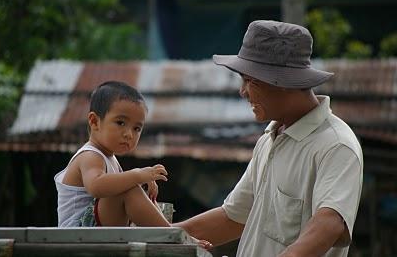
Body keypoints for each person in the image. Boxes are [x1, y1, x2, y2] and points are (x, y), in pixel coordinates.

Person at [174, 20, 363, 257]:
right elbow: (233, 217)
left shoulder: (335, 145)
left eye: (248, 80)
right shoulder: (270, 138)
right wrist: (162, 237)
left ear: (280, 82)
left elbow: (329, 225)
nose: (243, 91)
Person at [54, 81, 170, 227]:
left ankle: (169, 231)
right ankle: (170, 233)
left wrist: (140, 181)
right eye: (121, 123)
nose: (129, 134)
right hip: (78, 233)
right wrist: (138, 175)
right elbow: (96, 186)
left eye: (136, 128)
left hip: (93, 231)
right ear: (94, 121)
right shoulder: (90, 155)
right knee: (127, 188)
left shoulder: (110, 158)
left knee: (130, 186)